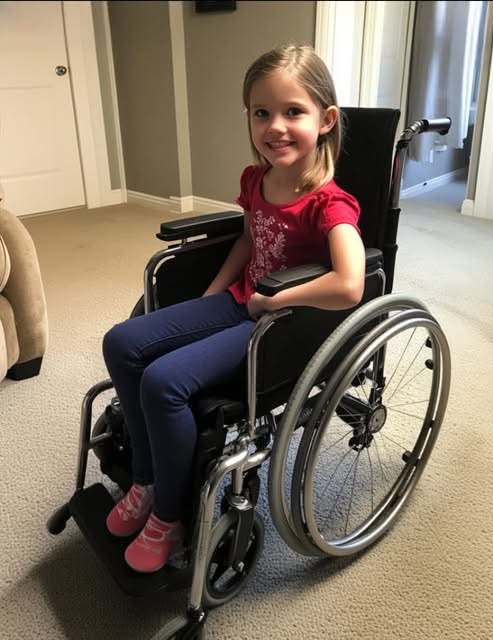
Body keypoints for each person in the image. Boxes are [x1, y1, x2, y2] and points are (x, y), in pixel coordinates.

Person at [102, 43, 365, 574]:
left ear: (326, 120)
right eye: (261, 112)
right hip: (241, 300)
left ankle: (171, 515)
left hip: (284, 326)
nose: (275, 127)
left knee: (163, 382)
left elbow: (350, 284)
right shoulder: (255, 179)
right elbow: (249, 240)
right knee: (122, 342)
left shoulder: (329, 203)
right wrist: (213, 292)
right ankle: (147, 480)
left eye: (293, 112)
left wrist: (277, 299)